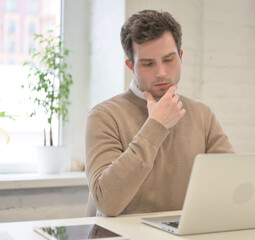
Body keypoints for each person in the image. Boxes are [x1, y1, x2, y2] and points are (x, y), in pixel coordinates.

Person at [85, 10, 234, 217]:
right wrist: (156, 126)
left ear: (180, 57)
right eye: (148, 64)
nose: (161, 72)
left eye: (169, 60)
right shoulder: (104, 116)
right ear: (131, 66)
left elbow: (233, 184)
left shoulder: (201, 114)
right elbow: (108, 203)